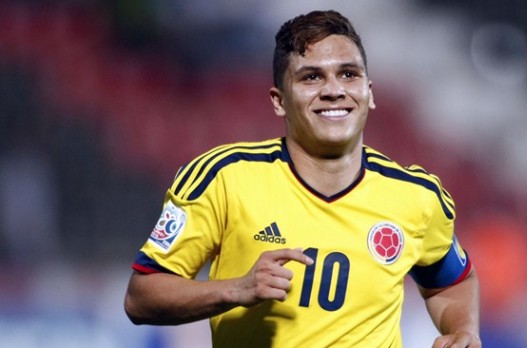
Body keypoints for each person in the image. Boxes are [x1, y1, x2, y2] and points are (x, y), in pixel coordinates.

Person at [124, 9, 481, 348]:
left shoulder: (417, 196)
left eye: (348, 74)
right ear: (279, 101)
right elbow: (141, 297)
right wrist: (234, 290)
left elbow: (451, 282)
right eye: (311, 77)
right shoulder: (224, 178)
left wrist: (462, 329)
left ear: (369, 93)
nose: (333, 90)